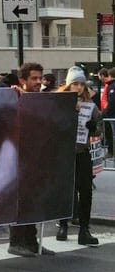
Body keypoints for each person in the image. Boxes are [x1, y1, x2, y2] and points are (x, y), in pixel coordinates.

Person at [8, 62, 55, 257]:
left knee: (32, 201)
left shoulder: (40, 98)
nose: (38, 82)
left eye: (40, 78)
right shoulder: (14, 97)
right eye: (34, 78)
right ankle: (16, 242)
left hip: (36, 157)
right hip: (18, 159)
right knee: (20, 202)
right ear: (22, 80)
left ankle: (31, 241)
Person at [56, 68, 101, 247]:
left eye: (82, 84)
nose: (79, 87)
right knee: (66, 190)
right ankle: (63, 225)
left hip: (82, 152)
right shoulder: (58, 102)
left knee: (86, 191)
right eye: (75, 83)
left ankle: (84, 229)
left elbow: (99, 127)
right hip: (64, 153)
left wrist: (92, 127)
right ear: (68, 85)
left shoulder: (90, 104)